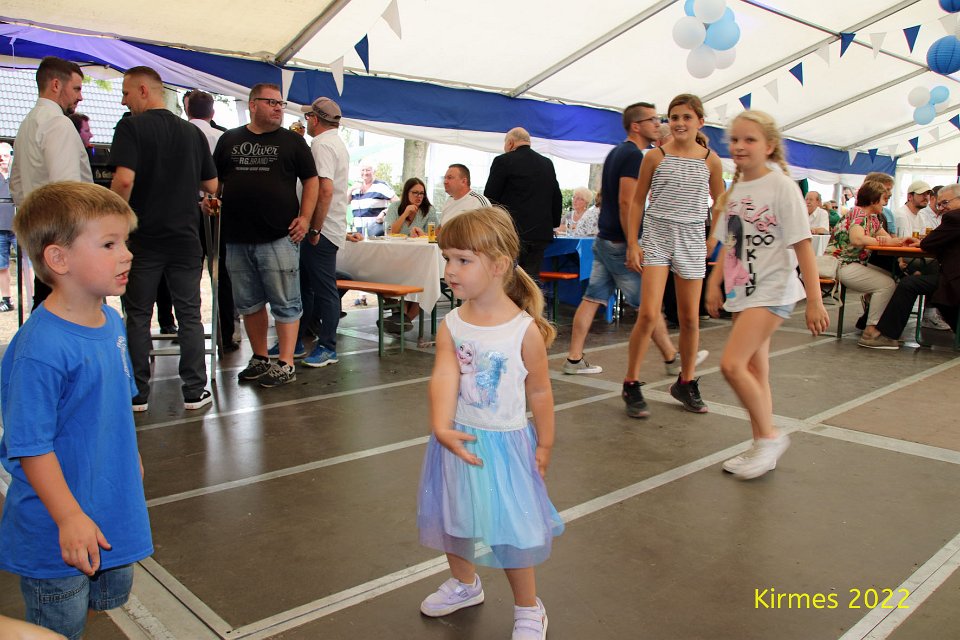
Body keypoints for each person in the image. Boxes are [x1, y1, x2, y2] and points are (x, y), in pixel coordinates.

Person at [0, 182, 153, 639]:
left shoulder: (112, 323)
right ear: (59, 259)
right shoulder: (41, 349)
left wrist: (130, 459)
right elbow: (31, 446)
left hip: (108, 505)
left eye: (125, 242)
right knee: (58, 625)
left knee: (99, 602)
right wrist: (68, 517)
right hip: (57, 527)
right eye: (109, 244)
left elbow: (114, 405)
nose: (126, 255)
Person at [417, 206, 563, 640]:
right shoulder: (452, 323)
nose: (450, 269)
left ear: (499, 265)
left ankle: (528, 607)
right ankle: (465, 584)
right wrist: (441, 426)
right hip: (457, 440)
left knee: (511, 530)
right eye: (447, 258)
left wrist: (544, 445)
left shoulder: (523, 331)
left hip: (505, 445)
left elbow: (540, 392)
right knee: (453, 518)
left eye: (463, 259)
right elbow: (444, 375)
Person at [705, 110, 829, 480]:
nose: (740, 146)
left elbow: (803, 245)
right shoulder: (736, 190)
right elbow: (729, 242)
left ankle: (771, 438)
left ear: (769, 146)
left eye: (750, 139)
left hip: (773, 289)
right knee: (756, 369)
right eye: (735, 139)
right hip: (743, 291)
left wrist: (815, 300)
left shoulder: (782, 187)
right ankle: (763, 444)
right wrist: (714, 283)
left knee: (732, 365)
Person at [562, 102, 705, 378]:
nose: (658, 124)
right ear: (636, 126)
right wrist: (632, 244)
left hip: (605, 239)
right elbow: (628, 201)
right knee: (648, 307)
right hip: (619, 243)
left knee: (592, 299)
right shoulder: (632, 156)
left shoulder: (617, 152)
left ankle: (574, 358)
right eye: (653, 120)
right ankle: (671, 358)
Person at [110, 66, 218, 412]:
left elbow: (124, 180)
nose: (123, 101)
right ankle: (194, 390)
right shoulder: (191, 132)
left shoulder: (130, 127)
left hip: (143, 238)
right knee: (189, 315)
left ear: (144, 90)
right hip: (185, 237)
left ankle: (137, 392)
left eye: (126, 93)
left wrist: (113, 224)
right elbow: (212, 185)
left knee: (138, 315)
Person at [210, 83, 319, 387]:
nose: (278, 108)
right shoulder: (229, 139)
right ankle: (260, 357)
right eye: (271, 102)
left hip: (279, 236)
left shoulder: (293, 142)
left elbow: (312, 181)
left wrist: (305, 218)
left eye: (280, 103)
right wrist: (211, 199)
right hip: (237, 237)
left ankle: (285, 363)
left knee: (286, 302)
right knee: (249, 303)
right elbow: (217, 182)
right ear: (252, 104)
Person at [623, 94, 725, 418]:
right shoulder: (655, 156)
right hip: (658, 235)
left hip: (692, 239)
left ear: (700, 122)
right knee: (649, 314)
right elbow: (637, 200)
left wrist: (713, 237)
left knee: (690, 318)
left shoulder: (711, 160)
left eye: (686, 117)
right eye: (674, 117)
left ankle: (686, 381)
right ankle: (631, 382)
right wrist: (633, 242)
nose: (679, 123)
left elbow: (721, 201)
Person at [10, 56, 93, 311]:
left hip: (40, 232)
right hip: (64, 236)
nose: (80, 97)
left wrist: (33, 224)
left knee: (46, 302)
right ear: (56, 85)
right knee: (65, 308)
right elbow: (67, 190)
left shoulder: (27, 123)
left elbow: (16, 184)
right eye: (76, 89)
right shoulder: (58, 123)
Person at [860, 183, 960, 349]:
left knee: (908, 283)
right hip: (952, 275)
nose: (942, 208)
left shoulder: (954, 217)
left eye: (945, 203)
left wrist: (923, 242)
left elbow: (930, 242)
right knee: (916, 276)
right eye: (940, 204)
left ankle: (887, 335)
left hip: (955, 281)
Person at [826, 182, 920, 349]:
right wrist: (883, 241)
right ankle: (870, 332)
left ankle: (876, 325)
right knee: (886, 284)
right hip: (841, 264)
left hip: (854, 263)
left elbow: (888, 240)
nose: (885, 202)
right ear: (873, 199)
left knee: (894, 279)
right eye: (884, 198)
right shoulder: (858, 213)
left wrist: (902, 241)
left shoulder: (873, 218)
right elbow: (857, 239)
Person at [298, 96, 349, 368]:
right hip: (326, 227)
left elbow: (325, 190)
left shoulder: (321, 145)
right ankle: (296, 340)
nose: (306, 121)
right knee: (306, 287)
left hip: (322, 229)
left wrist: (314, 227)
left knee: (322, 289)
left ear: (315, 119)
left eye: (308, 117)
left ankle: (328, 346)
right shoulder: (335, 143)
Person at [186, 90, 239, 352]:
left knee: (189, 272)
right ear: (212, 113)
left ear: (187, 110)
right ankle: (226, 333)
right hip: (218, 207)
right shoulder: (222, 137)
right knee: (220, 273)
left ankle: (189, 332)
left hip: (190, 207)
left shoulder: (182, 134)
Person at [484, 127, 562, 279]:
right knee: (531, 279)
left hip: (511, 231)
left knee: (508, 277)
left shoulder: (503, 161)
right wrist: (554, 224)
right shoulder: (547, 164)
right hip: (540, 234)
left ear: (511, 143)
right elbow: (556, 197)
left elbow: (491, 197)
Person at [382, 177, 440, 330]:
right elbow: (390, 232)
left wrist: (422, 234)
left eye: (422, 193)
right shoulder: (395, 207)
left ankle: (401, 320)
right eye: (415, 193)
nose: (419, 196)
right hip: (396, 258)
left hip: (420, 260)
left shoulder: (429, 210)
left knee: (421, 282)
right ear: (407, 193)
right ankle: (401, 320)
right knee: (389, 277)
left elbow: (435, 236)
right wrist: (405, 214)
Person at [349, 162, 396, 237]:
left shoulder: (381, 186)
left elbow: (398, 204)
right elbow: (344, 202)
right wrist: (351, 189)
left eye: (368, 170)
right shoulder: (355, 187)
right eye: (362, 170)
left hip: (376, 233)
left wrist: (384, 213)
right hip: (358, 234)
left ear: (374, 171)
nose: (365, 173)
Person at [0, 152, 15, 312]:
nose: (2, 159)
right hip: (0, 228)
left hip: (17, 228)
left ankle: (33, 297)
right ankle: (6, 300)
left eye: (5, 155)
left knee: (28, 264)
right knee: (1, 266)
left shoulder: (16, 176)